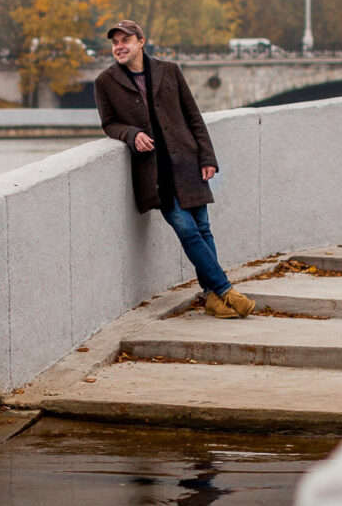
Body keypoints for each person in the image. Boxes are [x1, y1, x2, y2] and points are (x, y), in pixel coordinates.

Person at [93, 20, 255, 319]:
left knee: (203, 229)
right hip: (154, 173)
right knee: (187, 230)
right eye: (115, 42)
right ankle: (226, 290)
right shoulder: (105, 81)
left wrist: (208, 157)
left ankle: (213, 298)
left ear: (141, 41)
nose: (119, 46)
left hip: (187, 163)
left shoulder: (170, 70)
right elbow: (109, 124)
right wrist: (130, 134)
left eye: (125, 40)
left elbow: (193, 116)